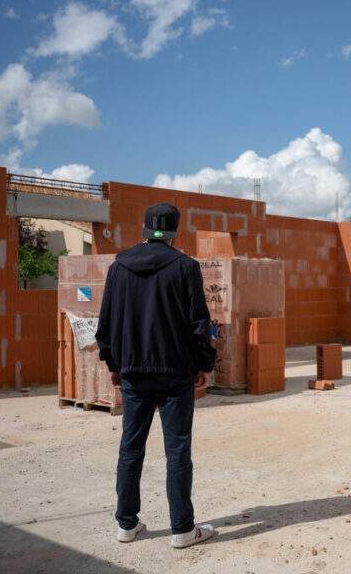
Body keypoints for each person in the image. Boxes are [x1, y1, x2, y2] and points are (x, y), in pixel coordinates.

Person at [95, 202, 218, 549]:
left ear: (145, 228)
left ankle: (126, 525)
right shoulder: (186, 267)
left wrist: (114, 365)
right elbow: (199, 325)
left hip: (134, 373)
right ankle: (182, 530)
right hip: (176, 374)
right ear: (175, 230)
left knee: (130, 448)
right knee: (178, 450)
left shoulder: (118, 268)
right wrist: (205, 365)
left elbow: (105, 325)